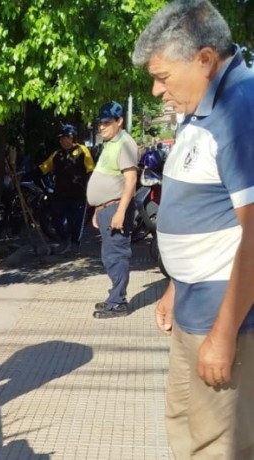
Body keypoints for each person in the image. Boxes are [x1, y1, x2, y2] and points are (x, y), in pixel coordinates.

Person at [133, 1, 254, 456]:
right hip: (193, 305)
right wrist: (175, 286)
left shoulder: (241, 112)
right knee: (187, 431)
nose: (156, 89)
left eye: (163, 76)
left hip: (226, 318)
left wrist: (224, 335)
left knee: (219, 445)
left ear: (205, 59)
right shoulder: (204, 108)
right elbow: (209, 214)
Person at [86, 101, 138, 320]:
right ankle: (114, 297)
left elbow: (130, 180)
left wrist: (120, 212)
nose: (101, 127)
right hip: (107, 208)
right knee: (109, 255)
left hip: (116, 208)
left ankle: (118, 303)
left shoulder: (125, 143)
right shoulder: (111, 143)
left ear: (119, 121)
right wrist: (97, 208)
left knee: (116, 255)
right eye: (100, 123)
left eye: (107, 123)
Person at [27, 124, 94, 254]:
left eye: (65, 137)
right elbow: (43, 168)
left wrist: (90, 188)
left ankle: (75, 244)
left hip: (78, 193)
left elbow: (91, 170)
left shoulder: (83, 151)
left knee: (77, 220)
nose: (62, 140)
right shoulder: (57, 154)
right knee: (56, 216)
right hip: (61, 193)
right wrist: (25, 176)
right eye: (61, 138)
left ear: (72, 137)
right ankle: (64, 240)